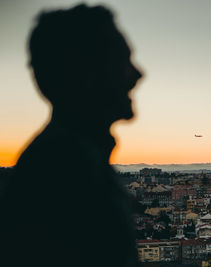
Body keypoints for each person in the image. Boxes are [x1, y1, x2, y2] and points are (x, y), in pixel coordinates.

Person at [1, 4, 143, 267]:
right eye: (122, 61)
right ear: (87, 74)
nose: (137, 74)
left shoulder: (63, 159)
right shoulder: (64, 172)